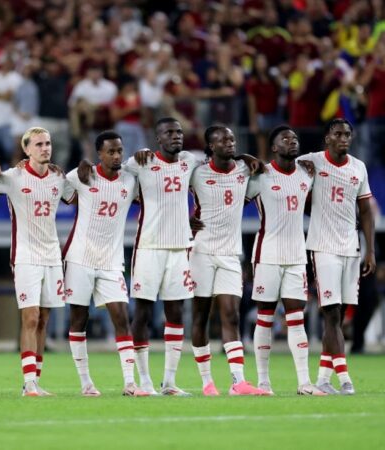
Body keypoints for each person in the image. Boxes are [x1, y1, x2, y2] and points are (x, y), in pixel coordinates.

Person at [115, 117, 207, 396]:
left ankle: (169, 382)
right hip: (149, 248)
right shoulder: (140, 162)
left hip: (179, 248)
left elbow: (221, 160)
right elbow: (109, 170)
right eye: (169, 132)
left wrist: (248, 159)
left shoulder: (189, 160)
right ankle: (142, 381)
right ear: (158, 139)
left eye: (179, 131)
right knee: (142, 313)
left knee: (176, 313)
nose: (176, 136)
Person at [0, 127, 75, 396]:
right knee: (31, 316)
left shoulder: (58, 178)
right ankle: (28, 383)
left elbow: (78, 193)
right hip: (25, 256)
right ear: (26, 149)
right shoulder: (12, 177)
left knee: (44, 319)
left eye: (48, 143)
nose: (45, 148)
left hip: (52, 255)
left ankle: (35, 380)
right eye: (38, 144)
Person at [189, 126, 269, 396]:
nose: (229, 142)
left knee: (232, 315)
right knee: (201, 315)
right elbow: (168, 195)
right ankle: (206, 382)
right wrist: (182, 219)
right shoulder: (197, 172)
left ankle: (238, 381)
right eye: (222, 139)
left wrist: (248, 157)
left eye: (232, 138)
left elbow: (263, 173)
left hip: (231, 254)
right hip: (200, 251)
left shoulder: (245, 170)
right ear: (210, 146)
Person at [64, 130, 145, 397]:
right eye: (110, 151)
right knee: (79, 319)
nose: (116, 156)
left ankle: (130, 382)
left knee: (122, 317)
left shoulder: (130, 181)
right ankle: (86, 382)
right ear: (99, 153)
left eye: (119, 150)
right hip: (80, 258)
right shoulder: (82, 176)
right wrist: (80, 164)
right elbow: (57, 188)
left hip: (111, 261)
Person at [298, 119, 375, 395]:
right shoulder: (311, 161)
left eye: (347, 134)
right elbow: (281, 170)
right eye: (338, 134)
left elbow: (365, 211)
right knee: (330, 313)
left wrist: (370, 250)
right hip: (323, 247)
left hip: (351, 249)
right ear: (327, 137)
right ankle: (344, 378)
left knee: (339, 316)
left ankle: (322, 379)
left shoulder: (358, 167)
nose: (344, 138)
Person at [246, 125, 325, 395]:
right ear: (274, 147)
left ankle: (304, 382)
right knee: (265, 318)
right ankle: (263, 381)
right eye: (286, 139)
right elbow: (231, 200)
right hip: (266, 255)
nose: (292, 142)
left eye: (295, 138)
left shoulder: (306, 174)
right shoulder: (260, 176)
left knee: (296, 318)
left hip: (296, 257)